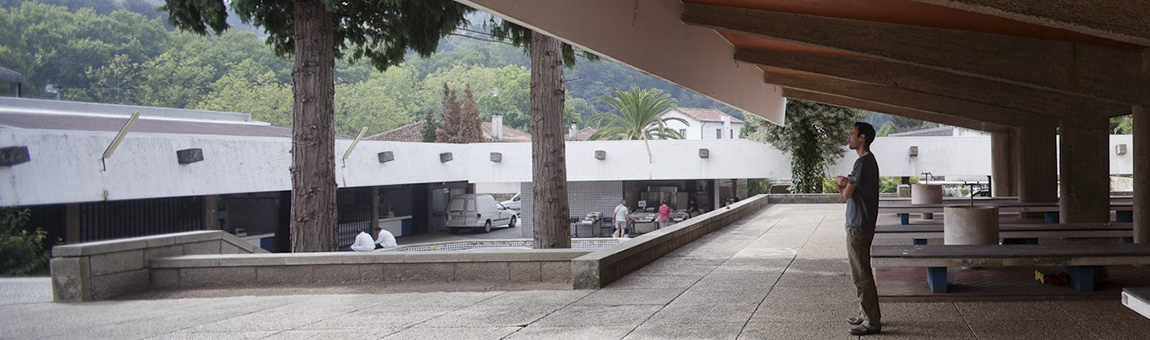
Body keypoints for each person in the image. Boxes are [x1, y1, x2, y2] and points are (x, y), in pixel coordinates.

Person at [834, 122, 882, 336]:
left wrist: (838, 182)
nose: (849, 137)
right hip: (863, 223)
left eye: (852, 133)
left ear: (862, 137)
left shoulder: (862, 163)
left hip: (858, 225)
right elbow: (851, 192)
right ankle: (865, 313)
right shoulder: (868, 162)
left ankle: (872, 321)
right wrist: (844, 185)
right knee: (861, 271)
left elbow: (846, 194)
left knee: (861, 274)